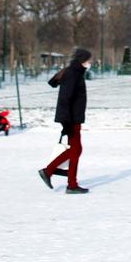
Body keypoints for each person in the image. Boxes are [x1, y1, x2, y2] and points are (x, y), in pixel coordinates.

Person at [39, 47, 92, 194]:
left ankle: (64, 179)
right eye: (88, 60)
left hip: (73, 118)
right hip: (71, 119)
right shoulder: (73, 74)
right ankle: (58, 177)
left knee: (76, 150)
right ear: (82, 60)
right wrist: (66, 122)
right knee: (76, 149)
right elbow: (65, 99)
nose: (90, 62)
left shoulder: (75, 72)